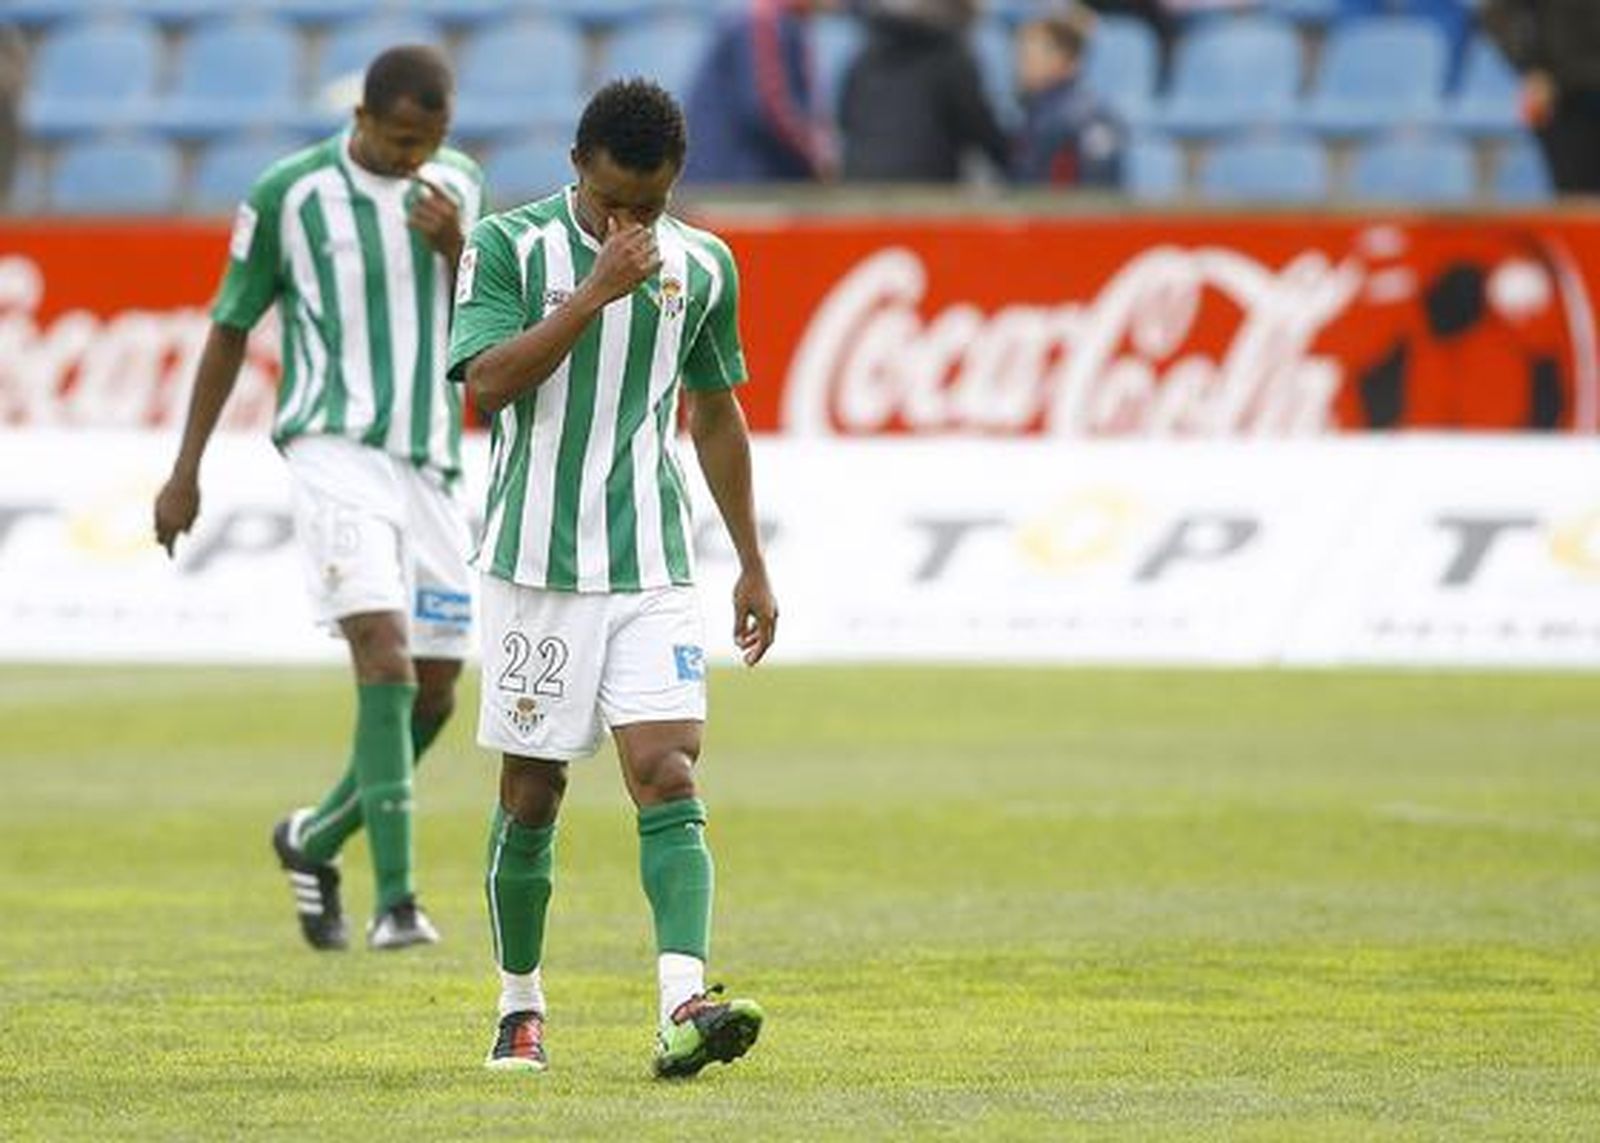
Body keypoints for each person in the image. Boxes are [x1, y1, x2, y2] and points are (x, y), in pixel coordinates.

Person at [447, 78, 778, 1077]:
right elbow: (487, 384)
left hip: (651, 562)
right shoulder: (507, 247)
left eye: (652, 203)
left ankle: (683, 1003)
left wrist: (751, 560)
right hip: (535, 564)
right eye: (613, 202)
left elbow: (714, 414)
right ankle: (519, 1006)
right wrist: (594, 292)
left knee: (667, 769)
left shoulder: (705, 265)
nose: (632, 223)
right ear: (576, 169)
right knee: (533, 790)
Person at [153, 46, 486, 953]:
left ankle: (314, 835)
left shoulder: (459, 185)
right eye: (403, 138)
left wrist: (457, 245)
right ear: (363, 118)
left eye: (433, 139)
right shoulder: (289, 194)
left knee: (438, 690)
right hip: (332, 446)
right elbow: (230, 327)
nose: (417, 156)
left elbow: (489, 312)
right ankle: (398, 902)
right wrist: (186, 470)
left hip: (431, 458)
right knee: (383, 652)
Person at [838, 0, 1011, 182]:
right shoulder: (950, 57)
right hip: (928, 181)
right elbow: (978, 124)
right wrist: (1010, 162)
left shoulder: (866, 54)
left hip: (860, 178)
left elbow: (846, 115)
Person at [683, 0, 837, 184]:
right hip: (731, 178)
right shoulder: (762, 20)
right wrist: (816, 155)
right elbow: (767, 109)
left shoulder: (786, 23)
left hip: (744, 174)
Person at [1484, 0, 1600, 194]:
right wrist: (1532, 69)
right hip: (1567, 98)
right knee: (1578, 200)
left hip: (1571, 89)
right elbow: (1497, 12)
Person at [1013, 4, 1124, 188]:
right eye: (1021, 56)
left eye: (1030, 56)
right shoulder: (1037, 110)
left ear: (1065, 59)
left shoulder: (1074, 118)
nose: (1021, 65)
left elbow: (1091, 189)